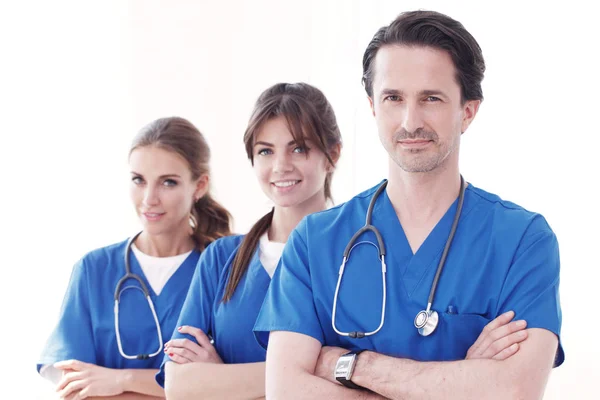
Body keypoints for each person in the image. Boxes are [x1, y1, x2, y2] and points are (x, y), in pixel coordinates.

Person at [254, 10, 564, 400]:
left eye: (430, 98)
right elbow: (286, 391)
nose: (409, 121)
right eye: (393, 98)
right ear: (372, 106)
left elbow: (515, 390)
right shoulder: (315, 242)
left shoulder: (522, 240)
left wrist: (352, 365)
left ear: (467, 111)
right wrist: (464, 378)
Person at [155, 82, 342, 400]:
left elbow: (367, 378)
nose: (280, 166)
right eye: (265, 151)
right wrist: (313, 371)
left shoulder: (358, 255)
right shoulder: (221, 259)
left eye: (299, 148)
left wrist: (220, 378)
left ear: (332, 154)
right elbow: (179, 384)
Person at [37, 117, 232, 399]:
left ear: (199, 186)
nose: (149, 198)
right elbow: (75, 386)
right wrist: (185, 387)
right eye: (138, 180)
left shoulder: (224, 270)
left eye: (168, 182)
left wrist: (120, 380)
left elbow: (233, 382)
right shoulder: (94, 270)